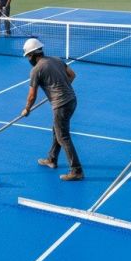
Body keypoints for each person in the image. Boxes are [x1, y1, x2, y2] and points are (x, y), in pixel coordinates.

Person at [20, 38, 84, 181]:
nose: (28, 59)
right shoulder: (56, 59)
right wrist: (60, 89)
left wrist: (27, 109)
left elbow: (31, 96)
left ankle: (76, 170)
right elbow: (72, 75)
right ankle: (52, 159)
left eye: (28, 56)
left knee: (63, 136)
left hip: (61, 104)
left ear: (33, 55)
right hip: (72, 100)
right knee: (57, 130)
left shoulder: (36, 70)